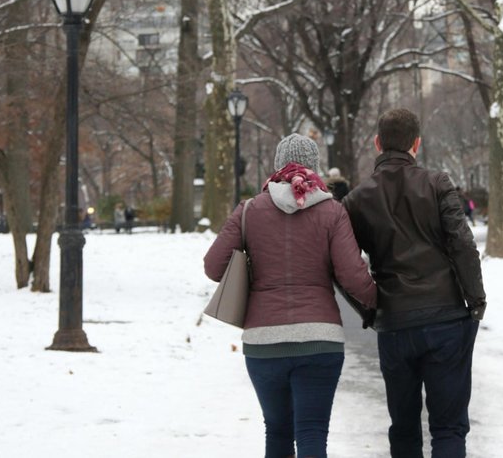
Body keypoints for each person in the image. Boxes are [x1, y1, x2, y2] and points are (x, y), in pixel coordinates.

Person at [203, 133, 376, 458]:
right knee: (312, 434)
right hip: (320, 340)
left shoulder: (248, 211)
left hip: (263, 342)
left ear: (276, 167)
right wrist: (382, 302)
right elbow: (353, 276)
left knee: (278, 432)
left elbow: (214, 267)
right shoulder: (331, 211)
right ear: (315, 168)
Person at [342, 109, 486, 458]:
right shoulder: (438, 184)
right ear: (416, 144)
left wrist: (370, 309)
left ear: (377, 143)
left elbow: (344, 266)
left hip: (395, 322)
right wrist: (474, 299)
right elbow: (462, 244)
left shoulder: (357, 200)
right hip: (446, 317)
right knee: (449, 426)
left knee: (404, 429)